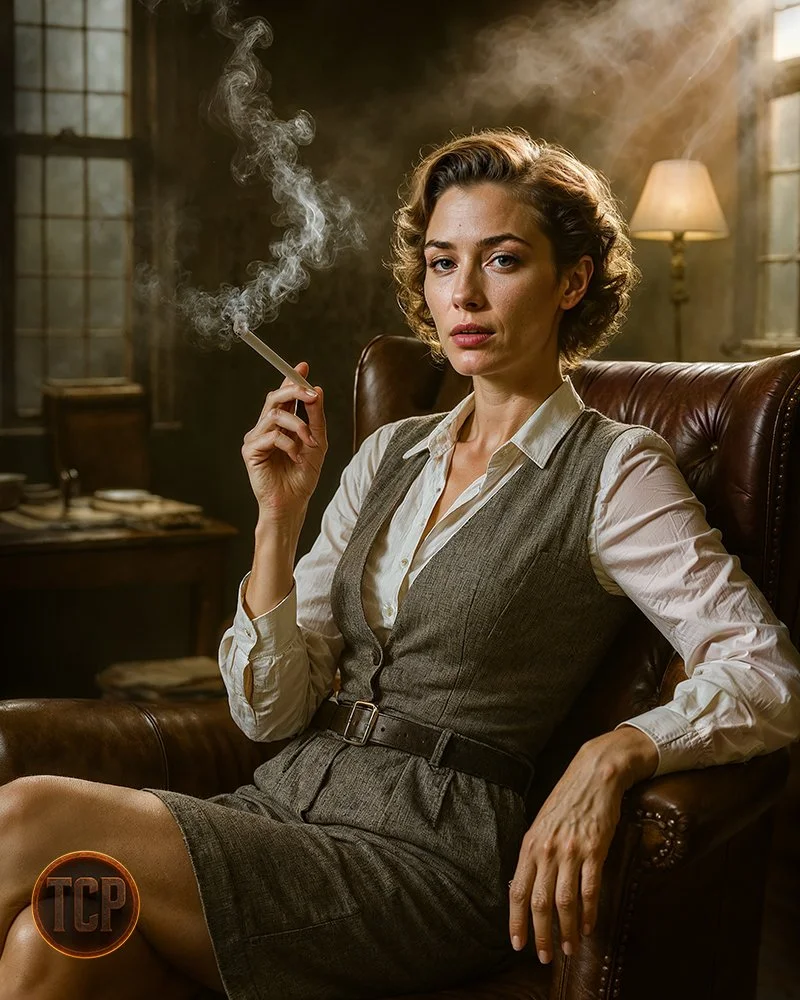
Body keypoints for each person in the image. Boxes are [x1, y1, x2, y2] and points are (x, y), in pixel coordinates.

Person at [1, 128, 799, 1000]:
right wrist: (279, 518)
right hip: (279, 806)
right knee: (64, 938)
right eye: (441, 262)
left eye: (501, 261)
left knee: (27, 814)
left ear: (571, 281)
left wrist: (617, 752)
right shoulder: (389, 454)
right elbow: (269, 715)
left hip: (427, 857)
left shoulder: (615, 466)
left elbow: (766, 671)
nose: (464, 293)